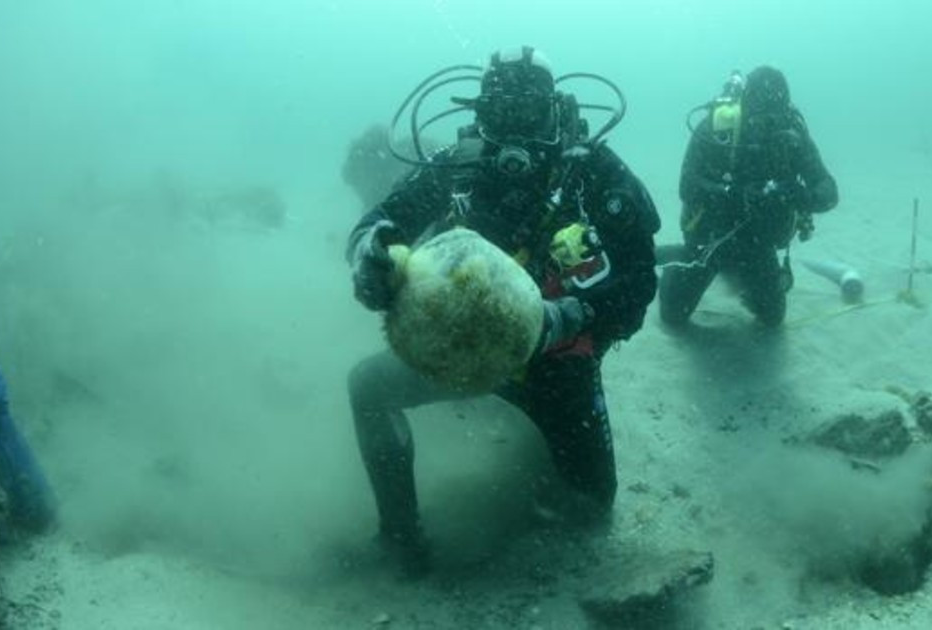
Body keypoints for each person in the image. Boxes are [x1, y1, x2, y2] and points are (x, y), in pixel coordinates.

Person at [345, 46, 660, 577]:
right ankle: (400, 536)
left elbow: (640, 280)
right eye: (499, 114)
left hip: (557, 364)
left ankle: (526, 435)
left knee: (591, 506)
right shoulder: (455, 168)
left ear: (556, 113)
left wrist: (568, 315)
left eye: (528, 114)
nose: (513, 133)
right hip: (460, 349)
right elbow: (381, 221)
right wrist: (366, 255)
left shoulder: (592, 172)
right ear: (479, 115)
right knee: (368, 388)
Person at [659, 66, 838, 328]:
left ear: (785, 109)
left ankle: (729, 271)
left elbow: (828, 190)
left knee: (772, 318)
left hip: (758, 244)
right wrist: (736, 194)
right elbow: (687, 186)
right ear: (744, 107)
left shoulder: (793, 137)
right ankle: (678, 262)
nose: (767, 124)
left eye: (775, 116)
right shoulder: (719, 128)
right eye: (759, 115)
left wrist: (801, 197)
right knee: (673, 316)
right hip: (710, 238)